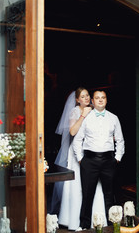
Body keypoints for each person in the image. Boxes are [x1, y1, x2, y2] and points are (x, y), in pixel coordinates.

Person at [52, 87, 106, 231]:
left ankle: (96, 218)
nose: (86, 98)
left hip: (93, 150)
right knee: (78, 185)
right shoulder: (75, 111)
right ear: (77, 100)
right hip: (77, 152)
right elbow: (73, 131)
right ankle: (75, 220)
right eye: (83, 96)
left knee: (96, 183)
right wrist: (83, 115)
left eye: (87, 95)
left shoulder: (96, 109)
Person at [73, 90, 125, 230]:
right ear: (93, 101)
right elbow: (77, 141)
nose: (100, 100)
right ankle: (84, 226)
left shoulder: (114, 118)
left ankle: (112, 225)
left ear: (106, 100)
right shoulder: (87, 118)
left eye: (103, 98)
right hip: (89, 161)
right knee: (87, 194)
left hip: (109, 161)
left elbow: (120, 141)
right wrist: (80, 160)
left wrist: (117, 159)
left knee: (110, 195)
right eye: (97, 98)